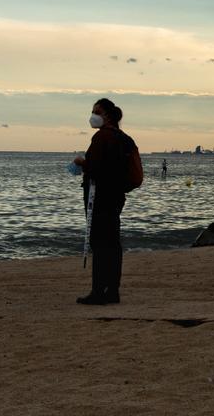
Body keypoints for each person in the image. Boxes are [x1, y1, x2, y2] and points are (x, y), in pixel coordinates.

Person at [72, 98, 136, 305]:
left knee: (99, 244)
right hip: (116, 197)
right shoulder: (125, 139)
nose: (92, 115)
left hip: (100, 198)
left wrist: (82, 163)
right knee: (113, 243)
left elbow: (97, 169)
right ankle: (113, 290)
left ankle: (99, 291)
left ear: (107, 114)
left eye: (96, 111)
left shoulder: (102, 138)